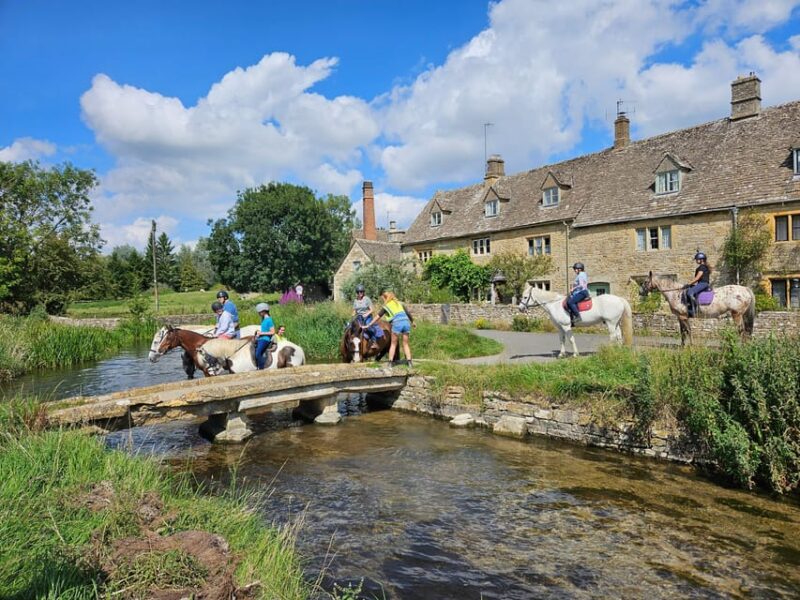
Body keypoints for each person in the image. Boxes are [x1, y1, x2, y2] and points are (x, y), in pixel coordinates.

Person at [366, 290, 414, 367]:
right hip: (406, 323)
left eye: (382, 299)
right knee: (405, 344)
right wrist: (413, 322)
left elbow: (378, 316)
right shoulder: (399, 303)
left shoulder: (387, 306)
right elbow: (408, 313)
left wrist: (369, 324)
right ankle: (409, 362)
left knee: (393, 344)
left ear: (384, 298)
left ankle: (390, 363)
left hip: (397, 323)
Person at [352, 284, 383, 351]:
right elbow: (354, 310)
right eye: (359, 292)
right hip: (359, 317)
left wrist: (366, 314)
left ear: (363, 292)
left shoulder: (367, 299)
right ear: (357, 292)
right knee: (350, 327)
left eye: (362, 292)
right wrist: (353, 314)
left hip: (367, 317)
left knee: (369, 328)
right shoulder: (355, 300)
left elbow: (372, 309)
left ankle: (374, 342)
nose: (360, 293)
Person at [685, 252, 710, 318]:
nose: (696, 260)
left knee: (690, 292)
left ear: (701, 260)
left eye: (697, 259)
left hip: (703, 283)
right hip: (701, 283)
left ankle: (694, 310)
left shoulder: (702, 267)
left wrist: (689, 283)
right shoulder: (702, 267)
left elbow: (697, 278)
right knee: (689, 289)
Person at [566, 262, 590, 326]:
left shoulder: (581, 275)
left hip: (582, 292)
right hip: (581, 292)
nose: (574, 270)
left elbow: (581, 285)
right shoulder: (582, 274)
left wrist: (573, 289)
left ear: (579, 269)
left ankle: (578, 316)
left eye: (575, 269)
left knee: (570, 302)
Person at [254, 302, 275, 369]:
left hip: (265, 339)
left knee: (258, 354)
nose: (258, 313)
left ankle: (262, 367)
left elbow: (273, 332)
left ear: (264, 311)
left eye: (259, 312)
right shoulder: (263, 320)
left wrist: (261, 333)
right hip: (261, 338)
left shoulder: (269, 320)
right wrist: (258, 333)